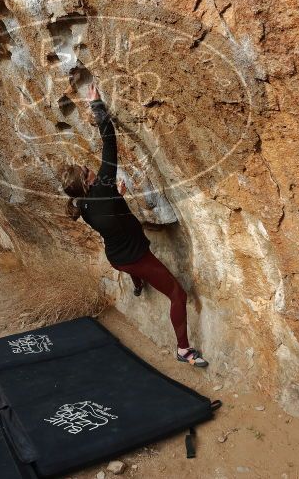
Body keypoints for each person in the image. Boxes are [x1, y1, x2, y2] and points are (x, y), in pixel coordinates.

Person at [60, 84, 208, 367]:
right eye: (87, 170)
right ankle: (183, 350)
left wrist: (118, 198)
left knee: (133, 271)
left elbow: (109, 214)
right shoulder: (103, 187)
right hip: (136, 258)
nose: (91, 169)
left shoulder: (83, 206)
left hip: (117, 259)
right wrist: (97, 104)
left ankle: (138, 285)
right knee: (177, 294)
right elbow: (109, 142)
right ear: (88, 180)